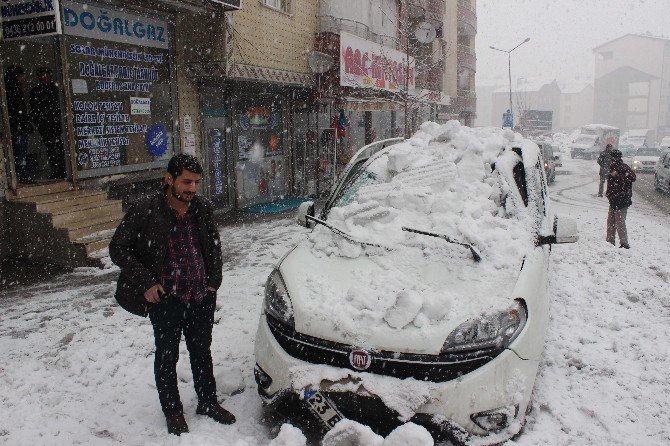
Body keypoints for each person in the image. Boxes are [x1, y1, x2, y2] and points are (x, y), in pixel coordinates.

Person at [109, 154, 234, 435]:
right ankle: (173, 411)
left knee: (202, 352)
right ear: (169, 179)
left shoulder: (201, 208)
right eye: (186, 181)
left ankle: (208, 401)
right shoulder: (147, 209)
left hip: (200, 295)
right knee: (167, 357)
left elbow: (213, 246)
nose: (192, 188)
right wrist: (147, 283)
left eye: (196, 182)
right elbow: (118, 248)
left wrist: (213, 283)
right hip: (167, 299)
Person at [30, 67, 65, 179]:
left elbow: (61, 107)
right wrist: (41, 123)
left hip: (57, 125)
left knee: (59, 148)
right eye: (41, 76)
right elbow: (34, 110)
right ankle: (56, 171)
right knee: (51, 149)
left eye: (45, 75)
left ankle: (62, 170)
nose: (43, 78)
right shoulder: (36, 91)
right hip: (46, 126)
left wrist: (59, 121)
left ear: (49, 76)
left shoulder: (56, 89)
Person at [4, 65, 33, 183]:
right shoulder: (13, 88)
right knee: (20, 151)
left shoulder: (13, 88)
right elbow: (17, 109)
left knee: (19, 151)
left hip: (17, 125)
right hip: (18, 126)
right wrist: (23, 122)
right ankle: (21, 175)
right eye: (22, 76)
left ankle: (20, 174)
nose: (24, 78)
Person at [605, 149, 635, 249]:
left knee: (620, 223)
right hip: (613, 200)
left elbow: (632, 177)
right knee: (610, 222)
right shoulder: (612, 167)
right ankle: (609, 242)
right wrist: (609, 194)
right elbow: (611, 184)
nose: (609, 159)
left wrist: (618, 175)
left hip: (622, 201)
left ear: (614, 158)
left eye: (610, 158)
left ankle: (624, 243)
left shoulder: (624, 167)